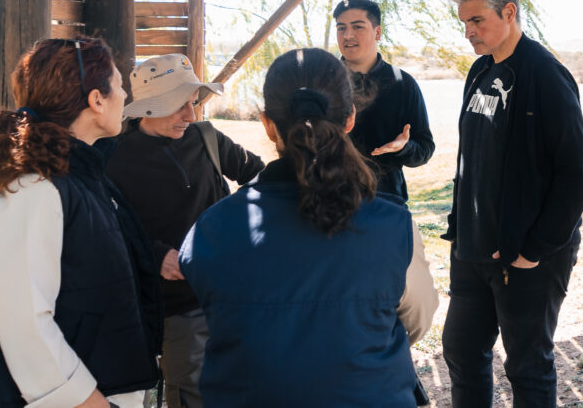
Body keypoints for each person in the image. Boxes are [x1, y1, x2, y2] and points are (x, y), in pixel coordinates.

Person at [179, 48, 438, 406]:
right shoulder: (394, 226)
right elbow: (418, 319)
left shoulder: (212, 228)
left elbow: (214, 315)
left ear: (268, 124)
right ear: (350, 118)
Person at [0, 37, 162, 408]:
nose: (125, 97)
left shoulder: (80, 174)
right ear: (96, 100)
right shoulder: (32, 186)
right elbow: (25, 325)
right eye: (119, 86)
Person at [442, 0, 583, 407]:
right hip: (472, 250)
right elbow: (474, 157)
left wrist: (533, 249)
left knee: (527, 366)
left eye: (476, 20)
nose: (468, 32)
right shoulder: (480, 70)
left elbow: (578, 176)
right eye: (464, 22)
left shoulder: (545, 75)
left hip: (526, 256)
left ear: (509, 12)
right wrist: (460, 227)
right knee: (461, 349)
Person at [105, 54, 264, 408]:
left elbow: (260, 176)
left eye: (192, 103)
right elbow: (106, 231)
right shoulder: (114, 158)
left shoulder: (207, 138)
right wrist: (155, 255)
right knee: (190, 393)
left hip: (228, 294)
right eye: (179, 106)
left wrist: (243, 226)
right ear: (148, 108)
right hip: (172, 307)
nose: (190, 116)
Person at [334, 0, 435, 199]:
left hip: (386, 200)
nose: (347, 35)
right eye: (341, 28)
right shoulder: (323, 80)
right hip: (328, 200)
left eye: (357, 27)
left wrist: (404, 147)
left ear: (377, 32)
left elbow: (424, 150)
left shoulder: (402, 83)